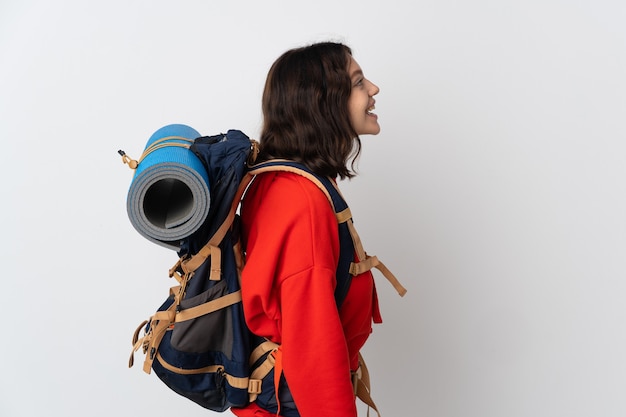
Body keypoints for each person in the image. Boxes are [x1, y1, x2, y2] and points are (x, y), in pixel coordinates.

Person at [232, 41, 384, 417]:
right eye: (358, 81)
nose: (374, 90)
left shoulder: (287, 179)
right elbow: (312, 345)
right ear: (324, 102)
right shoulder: (303, 200)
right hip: (299, 403)